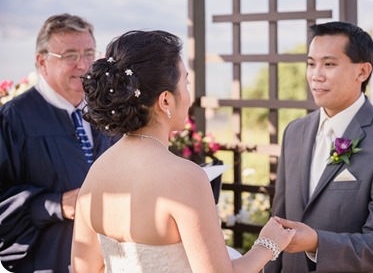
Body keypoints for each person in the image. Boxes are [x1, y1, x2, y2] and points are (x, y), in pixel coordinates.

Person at [70, 29, 295, 272]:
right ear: (165, 100)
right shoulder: (185, 177)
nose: (188, 94)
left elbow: (84, 268)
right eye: (185, 82)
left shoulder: (97, 172)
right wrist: (267, 245)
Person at [264, 21, 373, 273]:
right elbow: (278, 219)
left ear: (363, 72)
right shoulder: (294, 132)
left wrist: (317, 242)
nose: (316, 74)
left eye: (329, 64)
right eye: (311, 64)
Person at [0, 13, 116, 272]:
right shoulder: (14, 119)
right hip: (49, 261)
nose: (83, 65)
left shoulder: (106, 112)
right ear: (42, 62)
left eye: (88, 53)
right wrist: (55, 204)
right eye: (70, 55)